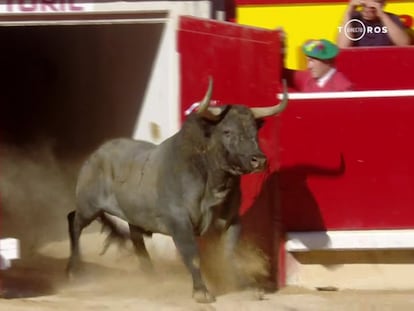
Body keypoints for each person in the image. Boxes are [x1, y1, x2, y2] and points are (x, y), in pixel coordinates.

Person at [283, 39, 353, 92]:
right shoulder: (306, 77)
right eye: (308, 60)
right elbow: (280, 73)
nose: (309, 66)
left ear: (327, 61)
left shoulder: (343, 88)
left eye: (312, 61)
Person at [337, 0, 411, 47]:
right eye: (364, 6)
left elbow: (404, 44)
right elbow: (342, 46)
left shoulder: (391, 18)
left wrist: (382, 15)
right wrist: (350, 9)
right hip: (358, 61)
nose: (367, 10)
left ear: (383, 5)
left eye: (372, 8)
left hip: (385, 60)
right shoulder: (352, 18)